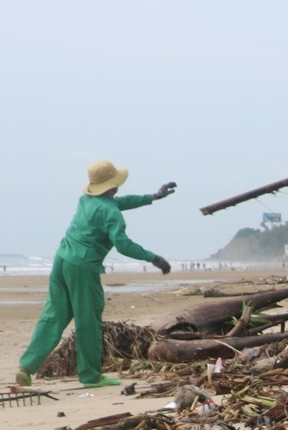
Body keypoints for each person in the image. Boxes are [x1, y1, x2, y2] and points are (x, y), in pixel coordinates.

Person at [16, 161, 175, 387]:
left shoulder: (87, 200)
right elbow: (123, 245)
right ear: (115, 185)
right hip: (83, 267)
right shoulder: (111, 213)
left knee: (53, 315)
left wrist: (152, 197)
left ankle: (26, 367)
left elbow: (118, 203)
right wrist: (153, 258)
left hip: (62, 260)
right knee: (88, 320)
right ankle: (91, 376)